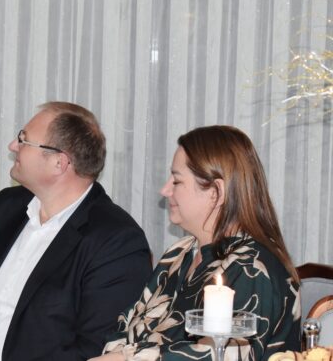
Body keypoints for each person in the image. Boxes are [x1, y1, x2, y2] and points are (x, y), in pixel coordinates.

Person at [0, 102, 152, 360]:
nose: (12, 146)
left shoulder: (116, 241)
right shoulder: (7, 206)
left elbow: (95, 348)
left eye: (23, 139)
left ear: (59, 163)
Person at [94, 125, 300, 361]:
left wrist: (127, 358)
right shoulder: (180, 253)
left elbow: (225, 354)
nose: (165, 190)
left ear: (216, 192)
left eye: (176, 181)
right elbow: (128, 324)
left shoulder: (253, 268)